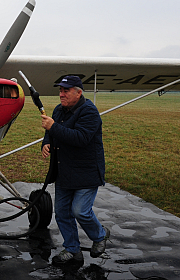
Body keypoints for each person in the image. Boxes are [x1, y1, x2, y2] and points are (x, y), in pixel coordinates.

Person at [40, 75, 110, 265]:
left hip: (86, 171)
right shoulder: (59, 110)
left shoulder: (89, 112)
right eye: (60, 91)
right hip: (64, 171)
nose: (61, 94)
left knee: (80, 211)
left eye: (66, 91)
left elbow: (80, 138)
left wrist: (53, 128)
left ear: (78, 93)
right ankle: (72, 249)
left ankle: (100, 235)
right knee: (62, 213)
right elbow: (50, 133)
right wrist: (46, 143)